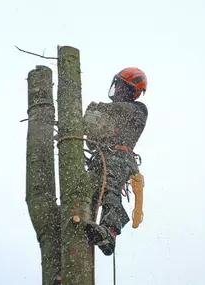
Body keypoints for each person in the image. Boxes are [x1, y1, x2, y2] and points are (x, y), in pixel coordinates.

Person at [83, 67, 148, 255]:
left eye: (121, 86)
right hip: (100, 159)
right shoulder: (110, 112)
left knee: (109, 188)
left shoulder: (138, 109)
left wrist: (97, 108)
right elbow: (92, 142)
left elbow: (119, 110)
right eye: (117, 85)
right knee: (89, 194)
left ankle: (109, 233)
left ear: (130, 90)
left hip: (119, 159)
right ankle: (86, 225)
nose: (117, 89)